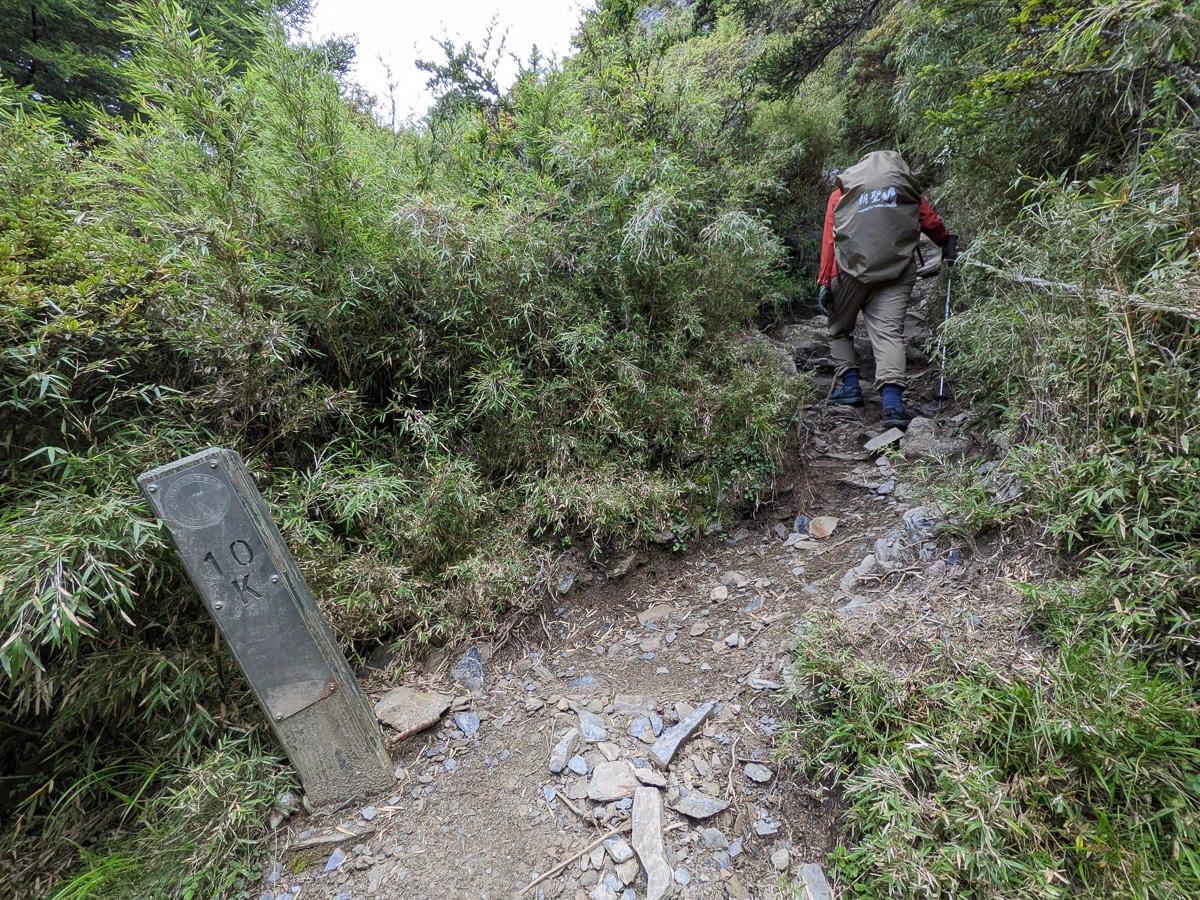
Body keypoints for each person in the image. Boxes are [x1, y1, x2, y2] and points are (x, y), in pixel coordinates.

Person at [815, 150, 957, 429]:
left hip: (850, 273)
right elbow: (929, 222)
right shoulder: (904, 189)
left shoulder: (843, 193)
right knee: (889, 334)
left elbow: (831, 241)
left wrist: (824, 282)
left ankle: (851, 388)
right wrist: (945, 243)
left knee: (839, 329)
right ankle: (892, 405)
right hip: (896, 271)